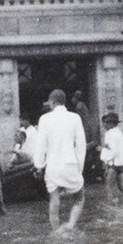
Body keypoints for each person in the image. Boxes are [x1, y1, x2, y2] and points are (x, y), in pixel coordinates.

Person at [33, 89, 86, 232]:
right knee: (79, 198)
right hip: (70, 164)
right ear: (64, 101)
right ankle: (70, 225)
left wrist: (38, 165)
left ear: (51, 102)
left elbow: (40, 146)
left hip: (52, 166)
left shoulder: (44, 119)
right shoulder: (75, 118)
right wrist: (79, 168)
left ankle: (57, 233)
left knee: (54, 202)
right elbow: (81, 146)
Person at [99, 112, 123, 199]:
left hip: (113, 163)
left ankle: (112, 205)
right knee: (122, 187)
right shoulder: (118, 133)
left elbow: (112, 151)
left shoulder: (109, 134)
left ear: (112, 123)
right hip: (121, 163)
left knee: (109, 187)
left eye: (107, 123)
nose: (105, 125)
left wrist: (106, 162)